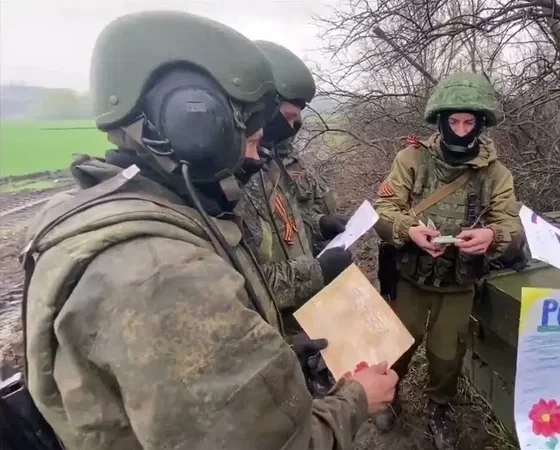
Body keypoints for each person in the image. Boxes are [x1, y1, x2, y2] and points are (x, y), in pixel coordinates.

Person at [20, 11, 397, 449]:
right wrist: (355, 400)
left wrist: (267, 358)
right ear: (196, 129)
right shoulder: (162, 275)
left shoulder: (106, 211)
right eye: (250, 141)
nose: (255, 158)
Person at [373, 72, 522, 449]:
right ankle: (387, 393)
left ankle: (439, 406)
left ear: (481, 124)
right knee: (398, 343)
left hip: (458, 282)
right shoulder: (411, 159)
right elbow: (383, 210)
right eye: (453, 121)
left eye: (469, 122)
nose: (461, 131)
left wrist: (492, 236)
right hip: (410, 275)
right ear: (440, 121)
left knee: (447, 354)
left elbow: (512, 226)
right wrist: (410, 230)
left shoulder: (496, 174)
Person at [236, 40, 349, 396]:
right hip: (269, 334)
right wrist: (317, 271)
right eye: (286, 117)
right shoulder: (232, 180)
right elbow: (249, 280)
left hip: (300, 316)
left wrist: (319, 226)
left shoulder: (269, 163)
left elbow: (288, 223)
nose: (293, 126)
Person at [274, 117, 340, 255]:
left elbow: (319, 202)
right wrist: (319, 224)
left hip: (316, 252)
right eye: (286, 117)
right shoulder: (256, 170)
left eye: (295, 123)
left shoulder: (296, 160)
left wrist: (321, 223)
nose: (290, 127)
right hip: (296, 262)